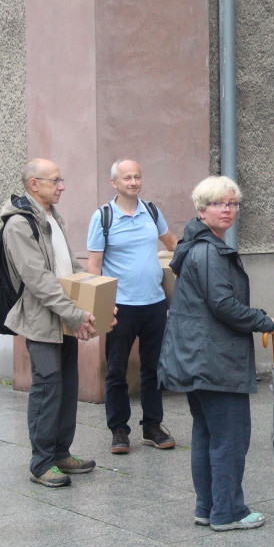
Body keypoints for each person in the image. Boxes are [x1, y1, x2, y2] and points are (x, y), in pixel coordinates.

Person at [157, 176, 274, 531]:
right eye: (217, 203)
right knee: (230, 437)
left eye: (232, 203)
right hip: (214, 360)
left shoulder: (199, 245)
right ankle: (227, 512)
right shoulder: (208, 250)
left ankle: (207, 508)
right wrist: (262, 320)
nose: (227, 209)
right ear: (200, 209)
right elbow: (223, 304)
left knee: (208, 434)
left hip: (202, 357)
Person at [2, 158, 100, 488]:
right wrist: (75, 313)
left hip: (63, 319)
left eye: (61, 180)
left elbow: (69, 267)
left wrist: (97, 303)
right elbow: (39, 280)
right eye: (55, 181)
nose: (62, 186)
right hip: (42, 321)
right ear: (34, 184)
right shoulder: (19, 225)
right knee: (47, 388)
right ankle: (41, 462)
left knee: (67, 386)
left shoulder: (51, 218)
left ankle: (60, 452)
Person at [87, 159, 179, 454]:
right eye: (127, 178)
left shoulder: (151, 211)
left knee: (153, 369)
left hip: (154, 304)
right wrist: (101, 306)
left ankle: (152, 426)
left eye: (137, 176)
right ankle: (118, 430)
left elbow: (171, 243)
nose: (133, 182)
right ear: (114, 183)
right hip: (120, 307)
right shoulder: (103, 217)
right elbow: (94, 266)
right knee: (116, 370)